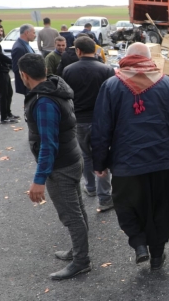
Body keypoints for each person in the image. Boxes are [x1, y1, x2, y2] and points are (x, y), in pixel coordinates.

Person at [91, 42, 169, 271]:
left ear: (127, 58)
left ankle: (139, 245)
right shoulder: (167, 84)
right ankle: (157, 255)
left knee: (127, 205)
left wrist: (99, 161)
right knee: (160, 208)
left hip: (126, 163)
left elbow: (101, 128)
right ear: (149, 59)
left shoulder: (111, 85)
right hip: (160, 160)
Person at [19, 53, 89, 280]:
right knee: (77, 208)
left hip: (61, 166)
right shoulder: (55, 88)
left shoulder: (44, 101)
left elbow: (48, 145)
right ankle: (77, 251)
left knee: (71, 215)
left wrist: (39, 179)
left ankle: (81, 261)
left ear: (24, 75)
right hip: (72, 157)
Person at [62, 37, 116, 212]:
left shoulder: (68, 70)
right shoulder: (107, 70)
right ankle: (105, 198)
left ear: (78, 51)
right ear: (95, 50)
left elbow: (66, 98)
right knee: (102, 156)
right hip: (101, 121)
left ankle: (91, 187)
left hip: (79, 120)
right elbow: (113, 98)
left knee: (86, 155)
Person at [11, 24, 37, 96]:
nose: (35, 35)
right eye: (33, 33)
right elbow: (17, 69)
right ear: (26, 33)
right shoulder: (19, 48)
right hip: (28, 84)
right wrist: (27, 82)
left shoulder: (25, 44)